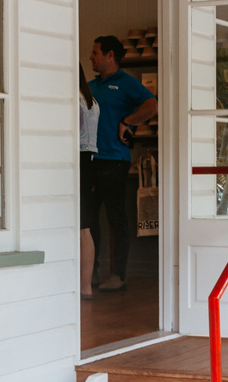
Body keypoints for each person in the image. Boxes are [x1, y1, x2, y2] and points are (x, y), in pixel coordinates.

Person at [88, 35, 158, 292]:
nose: (91, 57)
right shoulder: (90, 85)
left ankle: (118, 275)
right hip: (90, 161)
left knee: (117, 219)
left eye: (95, 53)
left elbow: (152, 106)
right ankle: (91, 271)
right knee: (89, 218)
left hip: (115, 161)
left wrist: (127, 121)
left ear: (110, 56)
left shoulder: (127, 83)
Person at [79, 65, 100, 299]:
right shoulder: (92, 101)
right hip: (90, 161)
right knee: (85, 228)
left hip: (76, 160)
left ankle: (83, 286)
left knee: (82, 227)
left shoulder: (72, 99)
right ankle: (86, 286)